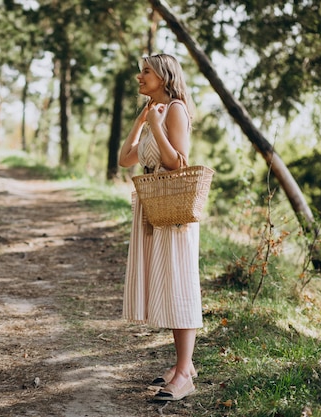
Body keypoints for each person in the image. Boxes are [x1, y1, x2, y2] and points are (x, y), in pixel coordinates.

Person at [118, 54, 201, 402]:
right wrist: (142, 121)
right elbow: (125, 159)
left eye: (146, 71)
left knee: (179, 284)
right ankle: (184, 365)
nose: (140, 76)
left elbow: (176, 162)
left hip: (173, 208)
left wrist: (155, 123)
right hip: (153, 206)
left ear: (164, 76)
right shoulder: (155, 112)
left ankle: (184, 375)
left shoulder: (176, 109)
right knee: (168, 284)